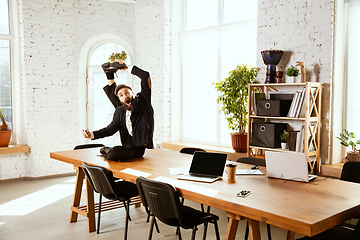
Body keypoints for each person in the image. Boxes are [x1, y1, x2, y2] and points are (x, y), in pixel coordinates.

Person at [82, 61, 154, 161]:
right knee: (121, 107)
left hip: (138, 149)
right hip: (126, 147)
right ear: (119, 99)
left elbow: (145, 76)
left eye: (127, 93)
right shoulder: (120, 111)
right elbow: (109, 130)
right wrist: (91, 134)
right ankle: (109, 74)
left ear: (132, 93)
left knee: (114, 153)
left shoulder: (143, 102)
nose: (125, 96)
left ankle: (108, 151)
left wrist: (125, 68)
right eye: (121, 95)